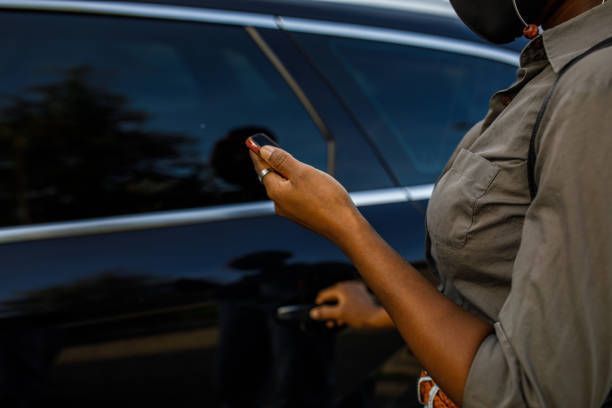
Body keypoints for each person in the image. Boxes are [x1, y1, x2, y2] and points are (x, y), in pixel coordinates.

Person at [249, 0, 612, 406]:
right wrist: (382, 311)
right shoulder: (558, 66)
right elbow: (507, 282)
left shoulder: (597, 87)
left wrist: (345, 225)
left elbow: (533, 394)